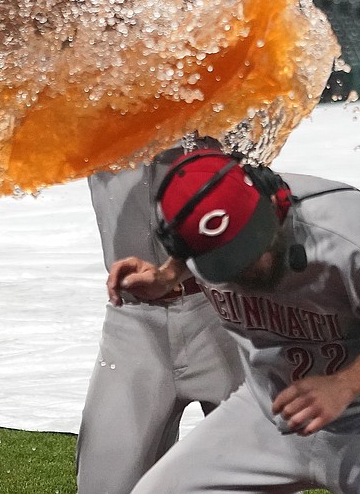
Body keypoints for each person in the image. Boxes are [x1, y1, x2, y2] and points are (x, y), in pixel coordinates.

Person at [108, 150, 360, 493]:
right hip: (267, 411)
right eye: (228, 259)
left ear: (274, 205)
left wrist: (345, 384)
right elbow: (198, 242)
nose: (248, 267)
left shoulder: (359, 232)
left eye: (250, 246)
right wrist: (166, 276)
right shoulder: (203, 241)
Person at [77, 137, 243, 494]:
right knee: (104, 484)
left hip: (225, 307)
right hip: (132, 319)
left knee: (258, 475)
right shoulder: (86, 95)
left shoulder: (219, 88)